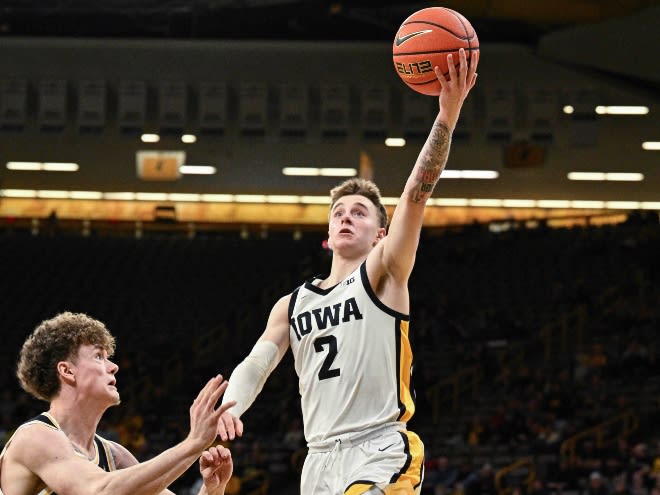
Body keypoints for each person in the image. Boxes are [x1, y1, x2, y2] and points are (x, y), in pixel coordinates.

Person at [217, 47, 479, 494]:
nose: (346, 217)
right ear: (327, 231)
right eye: (339, 211)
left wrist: (448, 115)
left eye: (360, 212)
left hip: (379, 448)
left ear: (381, 234)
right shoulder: (292, 304)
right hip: (318, 460)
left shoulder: (384, 272)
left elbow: (417, 193)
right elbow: (257, 365)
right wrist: (229, 408)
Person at [0, 311, 234, 495]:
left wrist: (212, 489)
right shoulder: (35, 438)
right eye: (99, 356)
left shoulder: (113, 455)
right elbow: (96, 491)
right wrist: (193, 443)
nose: (114, 366)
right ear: (67, 371)